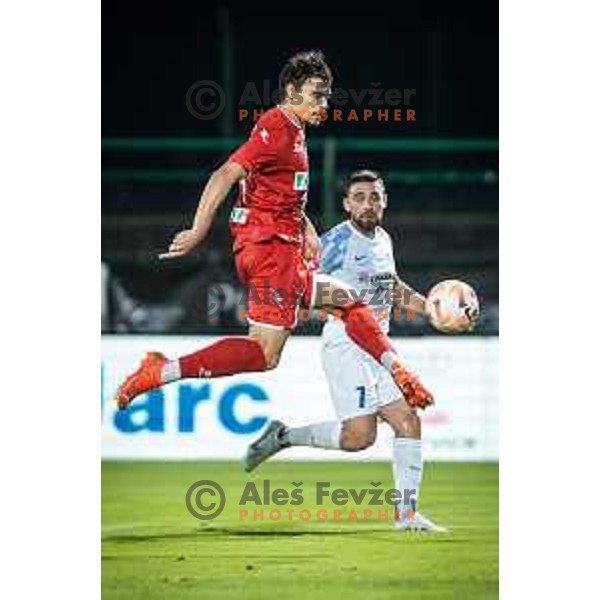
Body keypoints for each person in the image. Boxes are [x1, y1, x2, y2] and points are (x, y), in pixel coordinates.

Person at [113, 51, 433, 413]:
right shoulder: (277, 128)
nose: (324, 104)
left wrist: (306, 227)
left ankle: (396, 368)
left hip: (275, 251)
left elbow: (275, 194)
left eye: (327, 96)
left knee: (347, 303)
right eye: (316, 95)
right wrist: (198, 229)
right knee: (265, 352)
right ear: (292, 91)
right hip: (271, 254)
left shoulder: (291, 131)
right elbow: (225, 174)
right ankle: (160, 371)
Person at [245, 170, 445, 532]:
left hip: (380, 347)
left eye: (374, 197)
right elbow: (299, 287)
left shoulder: (383, 239)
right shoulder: (334, 242)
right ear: (346, 204)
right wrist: (322, 308)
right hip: (346, 345)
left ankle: (407, 515)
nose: (368, 204)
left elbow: (392, 288)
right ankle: (284, 436)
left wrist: (429, 307)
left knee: (408, 421)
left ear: (384, 201)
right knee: (360, 437)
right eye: (360, 197)